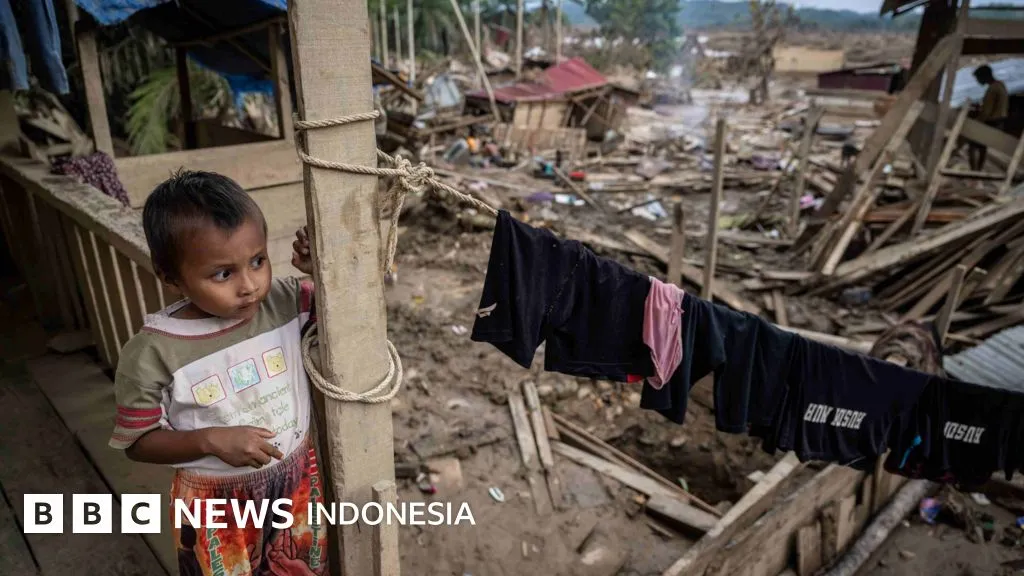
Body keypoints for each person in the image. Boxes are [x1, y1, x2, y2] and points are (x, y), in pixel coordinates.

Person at [108, 170, 328, 575]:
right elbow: (137, 442)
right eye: (223, 274)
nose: (250, 286)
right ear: (170, 277)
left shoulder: (286, 302)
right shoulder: (152, 353)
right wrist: (209, 440)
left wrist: (323, 272)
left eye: (258, 261)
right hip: (216, 507)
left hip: (296, 481)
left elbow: (341, 315)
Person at [968, 64, 1009, 171]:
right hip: (1000, 122)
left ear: (984, 76)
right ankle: (978, 170)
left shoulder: (992, 89)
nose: (977, 81)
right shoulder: (1001, 85)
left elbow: (986, 113)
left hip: (992, 122)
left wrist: (975, 123)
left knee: (971, 143)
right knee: (982, 146)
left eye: (978, 78)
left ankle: (974, 171)